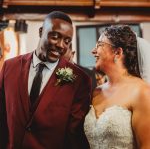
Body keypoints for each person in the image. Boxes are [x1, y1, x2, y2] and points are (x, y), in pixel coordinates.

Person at [0, 11, 92, 149]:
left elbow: (74, 135)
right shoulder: (9, 67)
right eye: (55, 37)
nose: (61, 45)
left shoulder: (80, 80)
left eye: (67, 41)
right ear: (41, 31)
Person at [84, 25, 150, 148]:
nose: (93, 51)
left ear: (117, 52)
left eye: (99, 45)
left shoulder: (141, 92)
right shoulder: (96, 92)